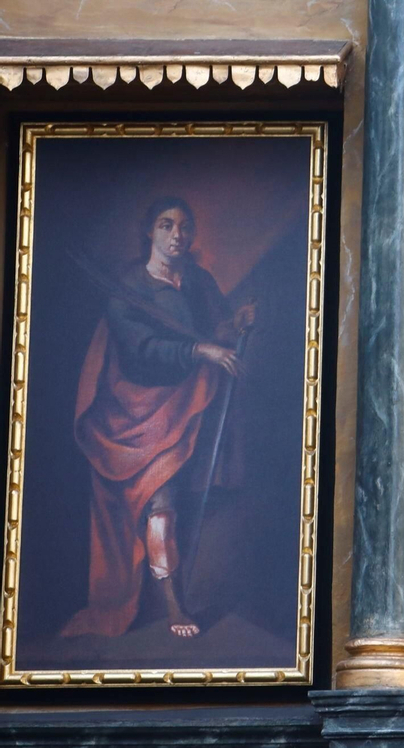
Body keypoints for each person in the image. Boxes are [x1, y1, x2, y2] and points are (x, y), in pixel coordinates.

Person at [64, 197, 254, 640]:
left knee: (167, 504)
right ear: (149, 231)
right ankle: (172, 606)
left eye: (184, 227)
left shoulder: (198, 281)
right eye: (166, 225)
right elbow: (140, 353)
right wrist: (200, 351)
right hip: (132, 413)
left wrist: (235, 324)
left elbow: (214, 328)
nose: (177, 235)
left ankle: (170, 598)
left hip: (182, 406)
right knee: (160, 504)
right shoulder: (127, 286)